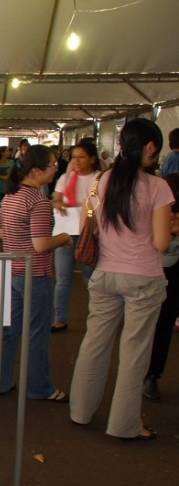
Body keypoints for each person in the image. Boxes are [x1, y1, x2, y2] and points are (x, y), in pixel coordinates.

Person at [70, 119, 173, 440]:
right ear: (150, 147)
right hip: (143, 278)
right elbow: (161, 243)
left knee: (94, 343)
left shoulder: (101, 180)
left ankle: (81, 411)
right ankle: (124, 425)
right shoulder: (158, 188)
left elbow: (95, 224)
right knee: (134, 352)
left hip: (104, 274)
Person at [0, 144, 71, 401]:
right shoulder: (37, 201)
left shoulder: (10, 196)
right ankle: (39, 387)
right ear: (37, 171)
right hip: (35, 273)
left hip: (12, 270)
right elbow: (40, 245)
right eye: (53, 166)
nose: (55, 170)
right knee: (37, 332)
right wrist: (63, 238)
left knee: (10, 330)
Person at [50, 138, 101, 332]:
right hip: (65, 234)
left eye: (81, 157)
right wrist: (58, 204)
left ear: (93, 159)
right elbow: (56, 199)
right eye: (74, 157)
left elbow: (97, 206)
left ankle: (97, 316)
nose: (76, 161)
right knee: (63, 278)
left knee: (91, 278)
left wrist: (86, 213)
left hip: (89, 233)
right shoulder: (65, 178)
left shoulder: (99, 178)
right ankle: (59, 318)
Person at [144, 174, 179, 400]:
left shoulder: (162, 185)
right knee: (163, 321)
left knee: (162, 322)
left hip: (165, 266)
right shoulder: (163, 186)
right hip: (164, 267)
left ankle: (152, 375)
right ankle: (152, 375)